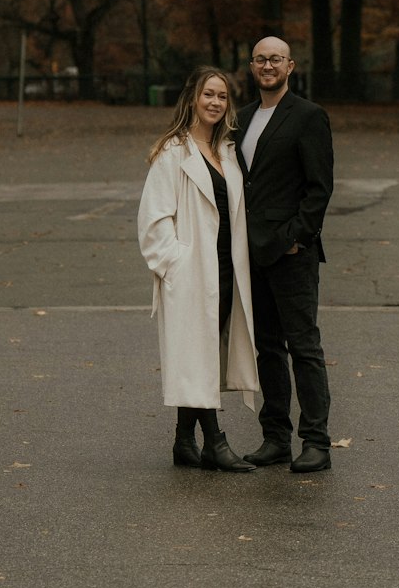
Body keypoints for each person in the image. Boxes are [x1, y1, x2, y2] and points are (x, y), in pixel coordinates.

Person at [138, 65, 259, 472]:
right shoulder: (173, 153)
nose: (215, 102)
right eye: (209, 94)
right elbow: (153, 221)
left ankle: (183, 442)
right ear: (193, 98)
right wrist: (177, 263)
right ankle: (214, 442)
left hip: (226, 268)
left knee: (203, 354)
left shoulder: (226, 151)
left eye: (223, 96)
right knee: (199, 354)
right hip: (192, 272)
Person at [235, 36, 334, 473]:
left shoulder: (309, 117)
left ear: (290, 66)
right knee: (267, 349)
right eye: (260, 59)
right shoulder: (241, 119)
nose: (268, 65)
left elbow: (319, 187)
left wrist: (298, 236)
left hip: (292, 253)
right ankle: (275, 438)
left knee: (305, 347)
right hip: (252, 253)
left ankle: (316, 442)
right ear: (252, 66)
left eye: (275, 58)